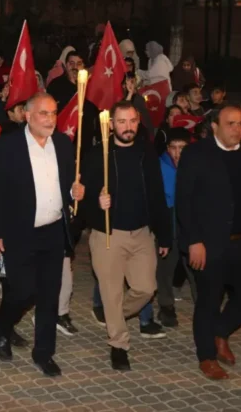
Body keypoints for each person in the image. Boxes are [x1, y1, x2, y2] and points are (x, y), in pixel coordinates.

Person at [0, 93, 85, 376]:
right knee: (22, 291)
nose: (50, 119)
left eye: (53, 113)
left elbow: (67, 186)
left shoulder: (63, 145)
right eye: (43, 113)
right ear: (27, 116)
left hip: (53, 231)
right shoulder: (8, 146)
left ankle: (44, 353)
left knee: (49, 294)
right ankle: (1, 326)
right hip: (19, 231)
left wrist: (76, 192)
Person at [176, 105, 241, 380]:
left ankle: (220, 332)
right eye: (230, 124)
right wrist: (194, 241)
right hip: (208, 244)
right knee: (209, 301)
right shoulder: (196, 153)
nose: (237, 129)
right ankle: (206, 356)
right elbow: (184, 201)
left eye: (240, 124)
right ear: (215, 126)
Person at [81, 101, 172, 370]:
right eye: (121, 121)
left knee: (146, 288)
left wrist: (164, 235)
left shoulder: (147, 153)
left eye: (132, 121)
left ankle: (114, 317)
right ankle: (118, 343)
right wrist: (97, 204)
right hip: (108, 234)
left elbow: (157, 196)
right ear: (111, 125)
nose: (128, 127)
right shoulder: (98, 154)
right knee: (111, 293)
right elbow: (82, 200)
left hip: (142, 233)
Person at [156, 127, 192, 327]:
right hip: (169, 220)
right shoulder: (161, 166)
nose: (177, 153)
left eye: (182, 148)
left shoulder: (195, 165)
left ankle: (205, 306)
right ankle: (166, 306)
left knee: (196, 268)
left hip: (190, 221)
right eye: (173, 148)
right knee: (166, 267)